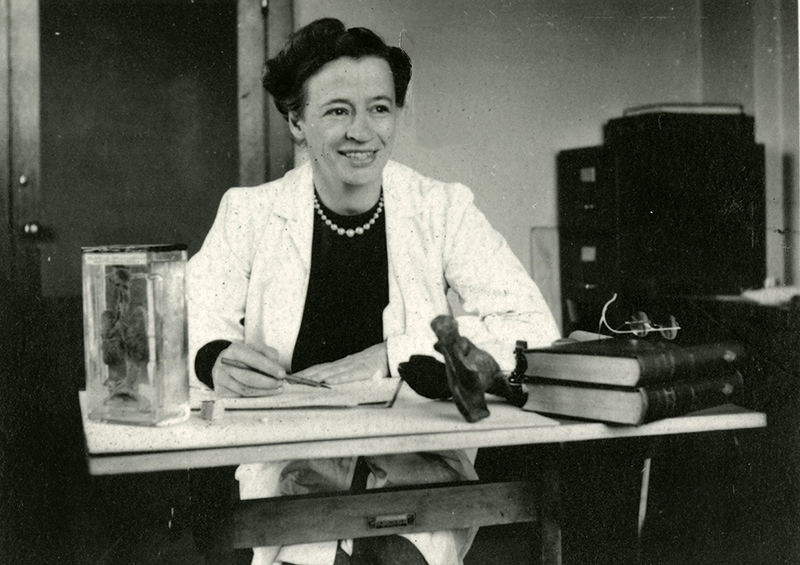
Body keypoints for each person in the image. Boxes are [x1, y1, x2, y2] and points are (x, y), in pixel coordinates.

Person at [187, 17, 559, 565]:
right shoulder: (249, 213)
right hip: (295, 468)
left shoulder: (441, 209)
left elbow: (532, 329)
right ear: (296, 121)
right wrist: (214, 357)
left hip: (420, 467)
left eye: (380, 108)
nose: (362, 131)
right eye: (338, 111)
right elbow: (192, 319)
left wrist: (392, 355)